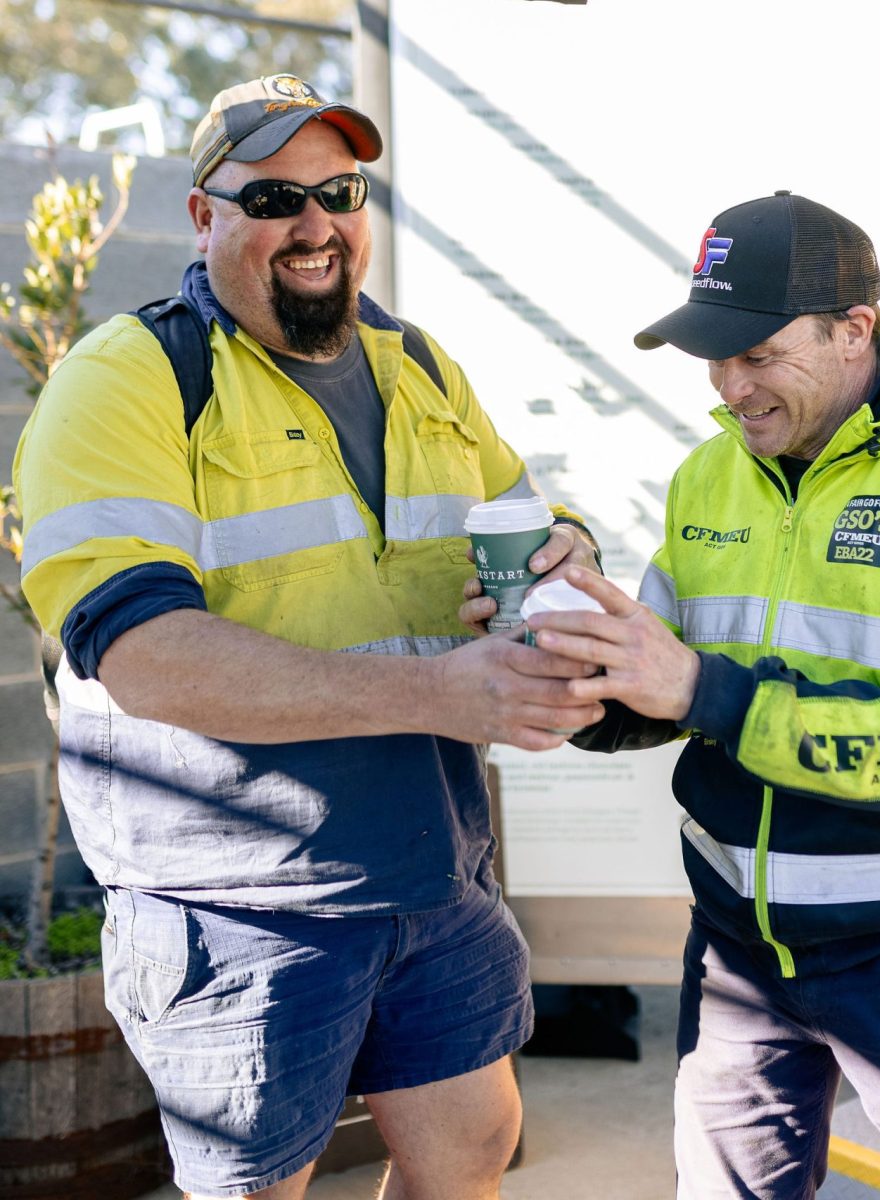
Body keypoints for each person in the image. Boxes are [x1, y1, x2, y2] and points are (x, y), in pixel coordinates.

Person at [13, 74, 604, 1200]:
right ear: (204, 216)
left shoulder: (419, 366)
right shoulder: (126, 382)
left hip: (433, 868)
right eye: (276, 196)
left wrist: (563, 558)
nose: (316, 224)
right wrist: (444, 696)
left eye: (340, 190)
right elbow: (143, 655)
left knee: (474, 1144)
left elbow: (528, 514)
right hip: (240, 902)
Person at [514, 191, 880, 1199]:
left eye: (760, 355)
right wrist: (567, 658)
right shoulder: (708, 477)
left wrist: (698, 689)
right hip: (736, 940)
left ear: (855, 329)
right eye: (715, 358)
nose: (731, 387)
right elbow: (672, 694)